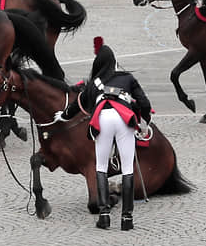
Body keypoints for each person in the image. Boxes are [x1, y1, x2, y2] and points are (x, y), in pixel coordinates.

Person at [59, 38, 153, 231]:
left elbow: (77, 105)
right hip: (123, 118)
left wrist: (62, 115)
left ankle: (104, 216)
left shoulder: (94, 83)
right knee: (127, 167)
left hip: (102, 117)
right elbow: (144, 103)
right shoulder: (127, 78)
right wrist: (144, 123)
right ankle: (127, 219)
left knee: (101, 166)